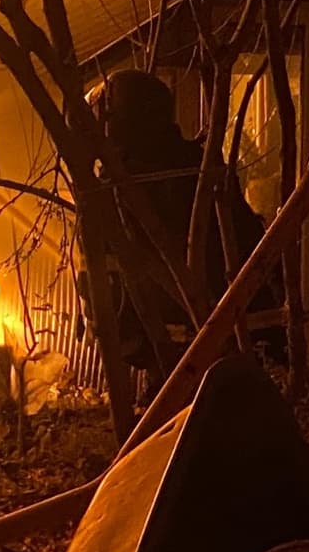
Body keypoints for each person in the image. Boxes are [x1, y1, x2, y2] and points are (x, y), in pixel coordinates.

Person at [88, 69, 280, 375]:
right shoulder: (197, 167)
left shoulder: (131, 186)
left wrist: (130, 340)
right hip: (233, 333)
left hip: (208, 339)